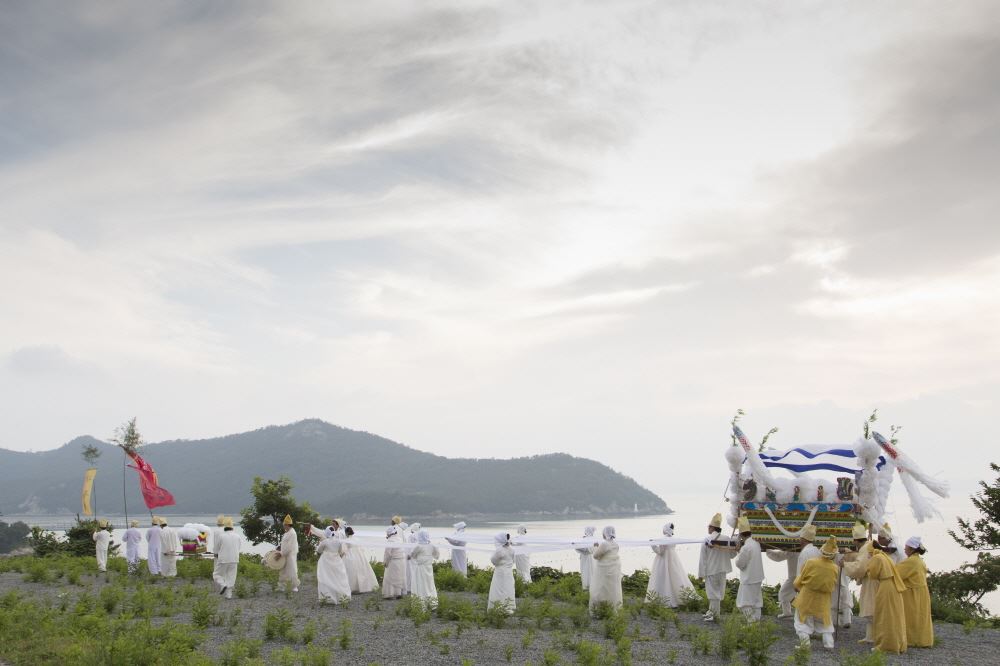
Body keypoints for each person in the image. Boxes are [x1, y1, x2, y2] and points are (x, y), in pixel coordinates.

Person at [792, 536, 840, 650]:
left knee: (801, 620)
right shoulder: (835, 568)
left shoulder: (811, 562)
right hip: (824, 599)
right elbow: (832, 585)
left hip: (807, 596)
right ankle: (829, 644)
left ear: (821, 551)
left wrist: (796, 586)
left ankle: (805, 644)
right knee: (825, 621)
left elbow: (801, 578)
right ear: (833, 554)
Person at [865, 538, 908, 654]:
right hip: (893, 585)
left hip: (886, 587)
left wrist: (869, 565)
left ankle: (886, 645)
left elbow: (873, 574)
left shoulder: (877, 557)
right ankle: (898, 643)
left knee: (885, 616)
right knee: (894, 616)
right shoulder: (885, 556)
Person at [698, 512, 737, 622]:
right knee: (718, 592)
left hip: (711, 570)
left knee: (713, 593)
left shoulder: (706, 540)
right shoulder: (727, 538)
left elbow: (703, 559)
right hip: (723, 569)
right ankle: (711, 611)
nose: (708, 528)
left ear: (712, 527)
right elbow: (732, 555)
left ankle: (715, 615)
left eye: (708, 526)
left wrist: (701, 574)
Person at [897, 536, 933, 648]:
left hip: (912, 593)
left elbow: (897, 573)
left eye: (906, 547)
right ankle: (922, 639)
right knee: (920, 617)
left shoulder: (911, 561)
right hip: (921, 591)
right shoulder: (918, 560)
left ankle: (911, 640)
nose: (904, 549)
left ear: (912, 549)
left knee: (911, 616)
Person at [646, 522, 693, 607]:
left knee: (662, 578)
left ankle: (663, 599)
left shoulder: (663, 539)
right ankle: (680, 597)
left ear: (665, 530)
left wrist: (652, 545)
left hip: (663, 560)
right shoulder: (673, 539)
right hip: (673, 558)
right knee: (676, 576)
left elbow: (660, 552)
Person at [734, 516, 764, 621]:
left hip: (749, 579)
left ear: (741, 534)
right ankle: (756, 623)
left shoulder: (746, 547)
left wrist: (738, 551)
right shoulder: (756, 543)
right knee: (756, 603)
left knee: (744, 603)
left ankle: (751, 623)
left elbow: (740, 564)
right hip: (758, 577)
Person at [313, 525, 350, 604]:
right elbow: (340, 551)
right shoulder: (338, 541)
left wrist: (319, 544)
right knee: (337, 578)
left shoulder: (325, 541)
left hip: (326, 561)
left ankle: (327, 597)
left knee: (326, 577)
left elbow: (319, 551)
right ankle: (340, 596)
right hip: (337, 560)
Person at [589, 526, 623, 613]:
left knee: (601, 588)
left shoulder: (604, 544)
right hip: (614, 569)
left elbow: (595, 556)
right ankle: (612, 607)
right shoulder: (616, 544)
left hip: (604, 570)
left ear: (605, 533)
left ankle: (601, 608)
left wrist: (595, 547)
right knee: (612, 589)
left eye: (603, 533)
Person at [342, 526, 379, 594]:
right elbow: (362, 548)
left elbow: (344, 550)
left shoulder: (346, 540)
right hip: (359, 555)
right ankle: (363, 587)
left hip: (351, 555)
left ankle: (352, 587)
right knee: (361, 570)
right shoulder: (357, 539)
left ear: (346, 533)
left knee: (351, 570)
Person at [408, 529, 440, 606]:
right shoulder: (432, 546)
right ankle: (432, 602)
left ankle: (420, 602)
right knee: (429, 584)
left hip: (420, 568)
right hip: (429, 567)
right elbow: (437, 556)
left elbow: (413, 555)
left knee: (420, 584)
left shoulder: (418, 546)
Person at [213, 517, 241, 599]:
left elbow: (216, 549)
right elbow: (239, 547)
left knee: (216, 574)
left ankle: (223, 584)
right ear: (232, 527)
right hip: (234, 559)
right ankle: (229, 595)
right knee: (231, 577)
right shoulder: (237, 536)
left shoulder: (221, 536)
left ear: (224, 526)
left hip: (223, 559)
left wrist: (216, 554)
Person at [488, 532, 516, 614]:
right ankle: (508, 606)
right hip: (509, 572)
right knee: (508, 588)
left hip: (500, 572)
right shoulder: (512, 550)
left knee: (498, 589)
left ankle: (497, 607)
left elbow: (493, 561)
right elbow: (513, 561)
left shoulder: (499, 550)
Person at [765, 549, 798, 618]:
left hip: (795, 577)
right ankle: (789, 612)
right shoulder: (804, 550)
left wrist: (768, 551)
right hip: (807, 575)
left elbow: (778, 556)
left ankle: (787, 612)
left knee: (783, 594)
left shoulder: (793, 550)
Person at [381, 525, 407, 599]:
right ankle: (399, 593)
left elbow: (388, 553)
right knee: (400, 577)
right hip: (401, 561)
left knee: (390, 577)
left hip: (393, 561)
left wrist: (385, 562)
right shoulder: (400, 539)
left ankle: (390, 594)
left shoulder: (390, 541)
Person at [278, 514, 299, 592]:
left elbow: (290, 546)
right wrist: (280, 551)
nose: (283, 526)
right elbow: (284, 543)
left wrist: (281, 553)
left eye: (284, 525)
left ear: (287, 525)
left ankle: (294, 586)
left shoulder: (292, 533)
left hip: (290, 555)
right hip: (284, 554)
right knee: (283, 570)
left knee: (292, 570)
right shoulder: (287, 532)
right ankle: (282, 586)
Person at [576, 526, 596, 590]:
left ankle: (587, 585)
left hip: (586, 557)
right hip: (591, 557)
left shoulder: (587, 539)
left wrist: (576, 545)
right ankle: (590, 585)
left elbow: (586, 550)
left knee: (586, 570)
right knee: (591, 570)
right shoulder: (594, 539)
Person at [211, 515, 225, 583]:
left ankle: (217, 580)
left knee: (217, 566)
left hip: (218, 551)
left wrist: (215, 552)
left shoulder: (216, 531)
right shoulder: (226, 530)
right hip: (225, 551)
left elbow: (215, 542)